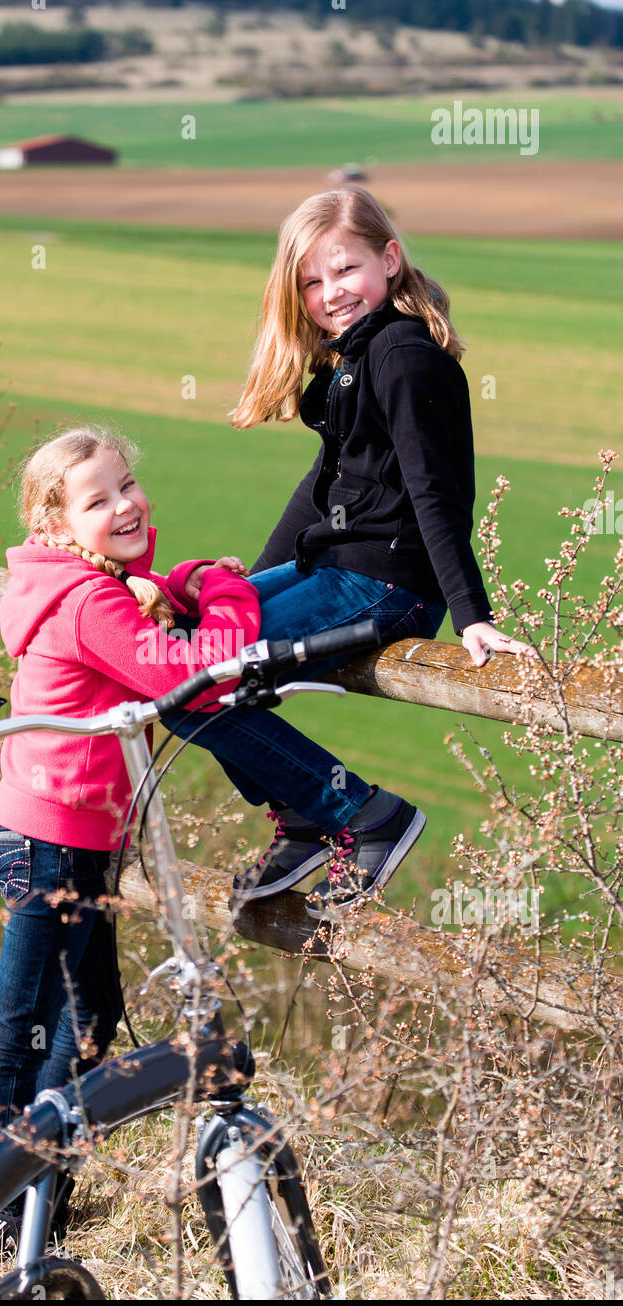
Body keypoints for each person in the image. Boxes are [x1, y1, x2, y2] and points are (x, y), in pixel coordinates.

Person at [160, 186, 533, 920]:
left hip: (386, 587)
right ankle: (304, 817)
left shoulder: (401, 357)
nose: (332, 293)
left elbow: (434, 492)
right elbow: (325, 480)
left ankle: (361, 814)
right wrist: (246, 582)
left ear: (389, 259)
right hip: (335, 571)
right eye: (312, 280)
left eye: (346, 270)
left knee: (191, 677)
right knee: (171, 651)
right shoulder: (349, 360)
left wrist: (472, 617)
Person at [0, 423, 262, 1167]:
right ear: (54, 524)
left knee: (89, 1016)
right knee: (30, 1022)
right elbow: (196, 677)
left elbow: (135, 608)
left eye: (127, 485)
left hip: (69, 836)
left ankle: (37, 1186)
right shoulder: (85, 602)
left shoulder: (86, 583)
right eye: (98, 499)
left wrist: (180, 581)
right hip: (51, 842)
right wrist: (226, 590)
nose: (127, 504)